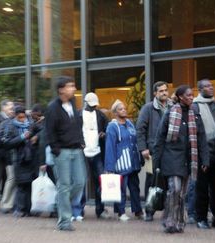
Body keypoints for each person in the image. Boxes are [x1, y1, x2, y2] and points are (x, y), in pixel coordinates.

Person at [153, 85, 209, 233]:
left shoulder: (195, 115)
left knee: (182, 193)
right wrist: (156, 161)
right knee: (174, 189)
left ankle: (179, 222)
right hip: (171, 157)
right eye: (188, 95)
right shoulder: (171, 113)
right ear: (180, 97)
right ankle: (170, 221)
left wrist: (205, 160)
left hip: (189, 159)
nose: (191, 97)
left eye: (192, 95)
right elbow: (160, 137)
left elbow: (202, 138)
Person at [45, 76, 86, 231]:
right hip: (61, 151)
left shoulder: (73, 103)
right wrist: (56, 150)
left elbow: (77, 125)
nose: (74, 89)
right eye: (70, 86)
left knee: (80, 182)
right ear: (61, 89)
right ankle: (64, 221)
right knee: (64, 185)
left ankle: (60, 202)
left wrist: (81, 141)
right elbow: (49, 132)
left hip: (76, 150)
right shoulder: (52, 108)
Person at [193, 79, 215, 229]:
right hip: (203, 156)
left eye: (211, 85)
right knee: (201, 189)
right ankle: (201, 218)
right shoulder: (194, 108)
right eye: (207, 86)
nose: (210, 88)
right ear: (200, 89)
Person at [136, 81, 170, 221]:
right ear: (155, 93)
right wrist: (143, 148)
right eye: (161, 91)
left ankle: (167, 212)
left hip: (170, 150)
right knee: (152, 181)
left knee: (168, 181)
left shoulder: (173, 107)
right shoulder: (148, 108)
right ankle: (149, 211)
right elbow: (140, 129)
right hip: (152, 151)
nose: (164, 93)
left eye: (166, 90)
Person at [105, 100, 143, 222]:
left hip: (133, 162)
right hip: (121, 162)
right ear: (115, 112)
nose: (124, 110)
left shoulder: (130, 124)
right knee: (121, 188)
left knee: (135, 188)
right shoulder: (112, 126)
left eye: (125, 108)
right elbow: (109, 147)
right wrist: (109, 168)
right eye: (121, 109)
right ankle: (121, 212)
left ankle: (138, 211)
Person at [0, 106, 39, 217]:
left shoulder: (30, 124)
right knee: (21, 184)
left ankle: (28, 209)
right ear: (15, 116)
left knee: (29, 184)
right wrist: (22, 137)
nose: (22, 119)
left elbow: (41, 131)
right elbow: (7, 143)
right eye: (19, 117)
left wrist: (36, 137)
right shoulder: (10, 126)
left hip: (30, 157)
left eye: (23, 117)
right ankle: (19, 209)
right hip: (18, 158)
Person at [78, 92, 109, 220]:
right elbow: (73, 130)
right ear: (85, 103)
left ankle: (100, 210)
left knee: (100, 181)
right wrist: (79, 141)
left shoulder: (100, 115)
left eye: (95, 105)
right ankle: (79, 210)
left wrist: (104, 134)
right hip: (83, 152)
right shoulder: (78, 115)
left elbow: (107, 128)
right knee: (81, 181)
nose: (93, 107)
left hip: (97, 152)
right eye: (91, 105)